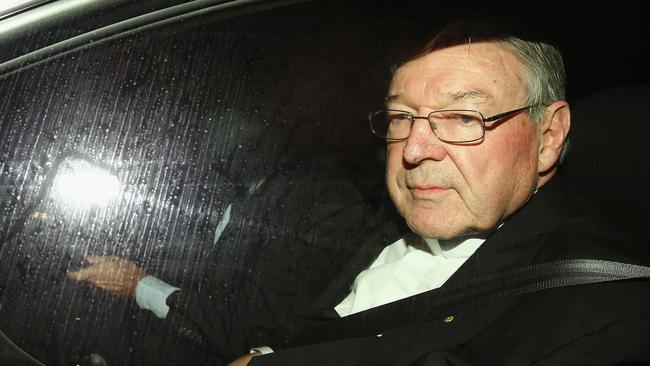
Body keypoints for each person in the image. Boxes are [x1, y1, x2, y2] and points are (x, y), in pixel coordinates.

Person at [69, 18, 650, 365]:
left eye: (461, 118)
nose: (416, 149)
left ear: (549, 138)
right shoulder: (378, 227)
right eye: (402, 118)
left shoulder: (606, 312)